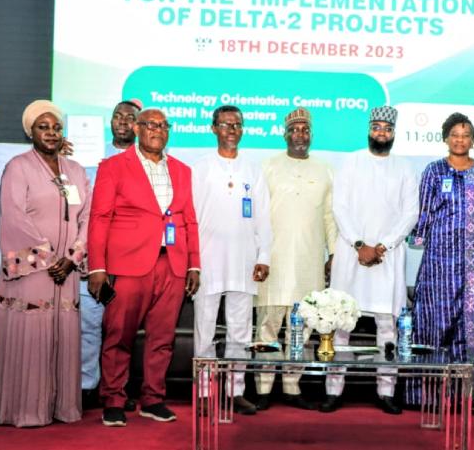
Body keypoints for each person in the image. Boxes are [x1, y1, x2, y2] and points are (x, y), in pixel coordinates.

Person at [88, 108, 201, 427]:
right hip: (126, 266)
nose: (158, 130)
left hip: (172, 265)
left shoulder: (181, 169)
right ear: (137, 128)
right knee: (117, 333)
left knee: (162, 338)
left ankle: (153, 398)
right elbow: (99, 218)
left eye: (164, 126)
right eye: (151, 125)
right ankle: (113, 399)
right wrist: (97, 267)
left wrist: (195, 264)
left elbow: (189, 219)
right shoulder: (113, 166)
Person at [0, 100, 90, 427]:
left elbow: (89, 217)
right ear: (30, 131)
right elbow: (14, 218)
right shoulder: (18, 167)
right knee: (32, 334)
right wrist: (49, 257)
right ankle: (27, 410)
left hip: (67, 272)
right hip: (34, 270)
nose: (51, 132)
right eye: (43, 127)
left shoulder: (74, 170)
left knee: (63, 335)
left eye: (56, 127)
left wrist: (73, 258)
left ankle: (62, 407)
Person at [405, 112, 474, 413]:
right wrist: (418, 240)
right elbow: (424, 212)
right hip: (440, 262)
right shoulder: (434, 170)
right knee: (434, 326)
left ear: (473, 140)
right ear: (445, 138)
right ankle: (426, 398)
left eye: (466, 135)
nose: (460, 140)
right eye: (455, 134)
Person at [323, 105, 419, 415]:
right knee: (340, 324)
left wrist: (383, 247)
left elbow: (410, 213)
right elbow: (340, 207)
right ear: (369, 129)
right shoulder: (350, 162)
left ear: (393, 133)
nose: (381, 132)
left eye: (386, 128)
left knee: (386, 326)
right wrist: (361, 244)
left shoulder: (404, 168)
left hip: (387, 257)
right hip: (353, 254)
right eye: (376, 127)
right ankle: (333, 390)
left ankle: (386, 391)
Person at [254, 107, 336, 411]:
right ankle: (263, 388)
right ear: (284, 133)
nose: (300, 134)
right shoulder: (268, 167)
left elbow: (329, 216)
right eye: (294, 129)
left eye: (305, 129)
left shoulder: (325, 169)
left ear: (311, 135)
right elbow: (259, 214)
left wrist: (334, 253)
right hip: (274, 259)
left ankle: (291, 386)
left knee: (302, 328)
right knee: (269, 325)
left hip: (310, 259)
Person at [192, 105, 271, 416]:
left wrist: (264, 255)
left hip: (243, 261)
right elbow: (190, 219)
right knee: (205, 330)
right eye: (225, 125)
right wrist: (192, 263)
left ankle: (235, 390)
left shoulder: (253, 169)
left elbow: (263, 216)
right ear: (214, 129)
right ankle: (203, 393)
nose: (232, 130)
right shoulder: (200, 168)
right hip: (208, 262)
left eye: (237, 124)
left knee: (240, 331)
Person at [80, 99, 142, 410]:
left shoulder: (149, 159)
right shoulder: (89, 154)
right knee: (90, 322)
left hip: (131, 256)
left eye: (129, 117)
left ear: (138, 126)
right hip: (95, 253)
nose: (122, 121)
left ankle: (116, 389)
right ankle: (86, 386)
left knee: (122, 328)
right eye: (117, 115)